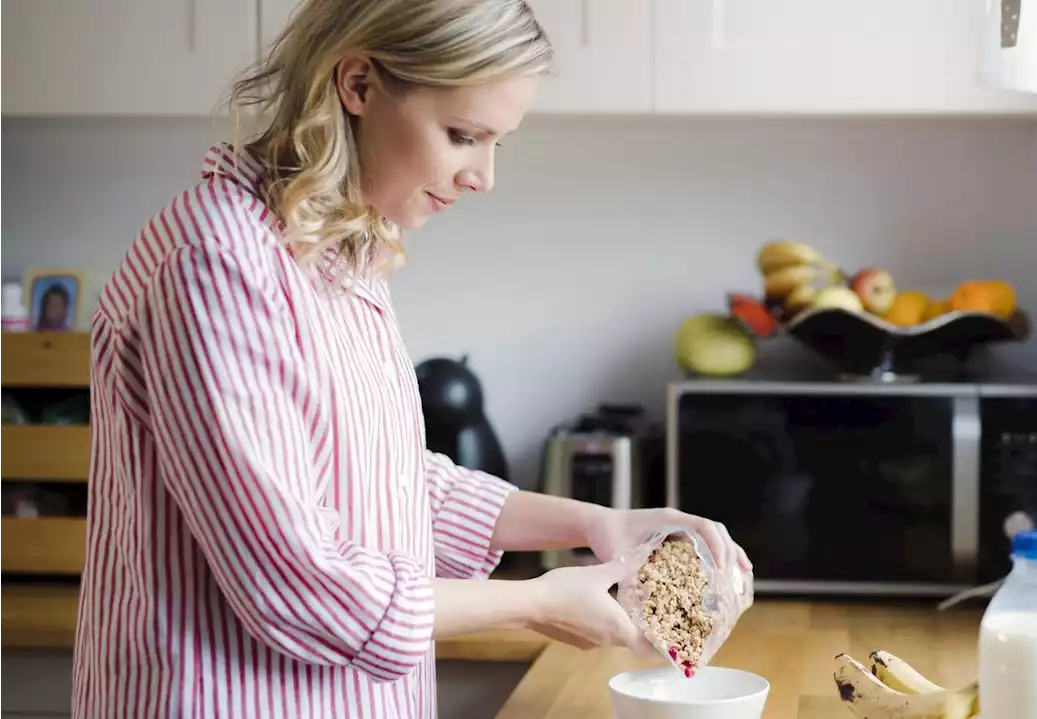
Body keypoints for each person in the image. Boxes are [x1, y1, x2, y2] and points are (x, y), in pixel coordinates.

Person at [70, 1, 750, 717]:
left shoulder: (334, 249)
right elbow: (299, 585)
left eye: (498, 144)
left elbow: (380, 481)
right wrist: (534, 600)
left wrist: (593, 523)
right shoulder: (216, 265)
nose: (483, 176)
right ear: (358, 84)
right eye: (464, 135)